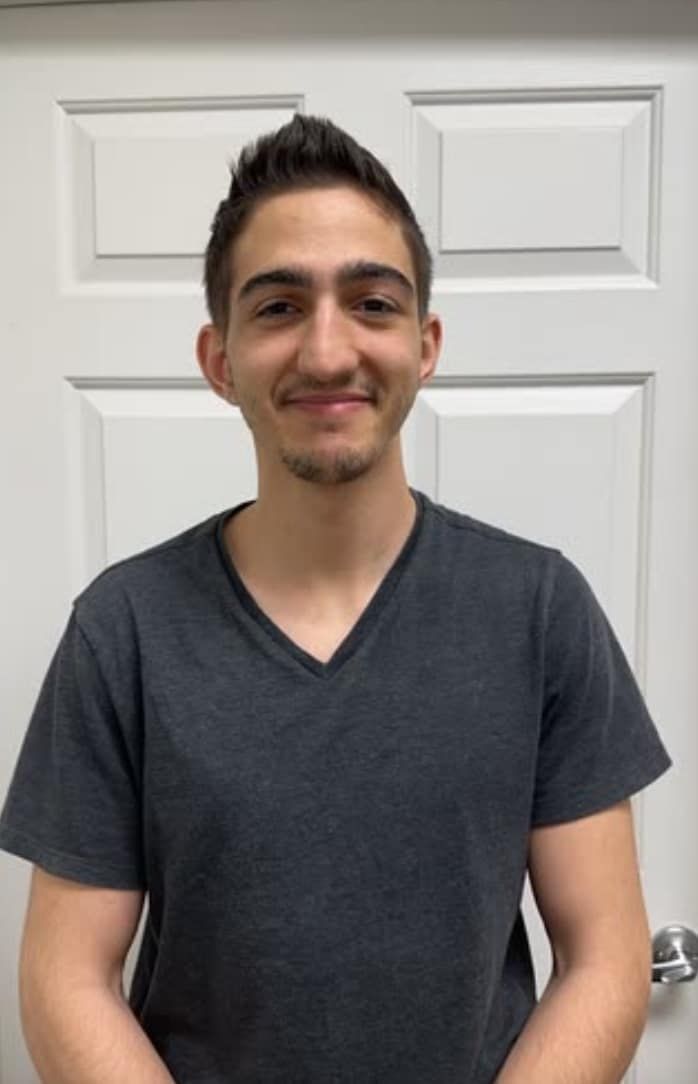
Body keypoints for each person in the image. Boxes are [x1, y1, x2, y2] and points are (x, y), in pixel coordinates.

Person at [0, 113, 672, 1084]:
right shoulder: (124, 629)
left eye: (370, 303)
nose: (326, 352)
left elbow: (605, 955)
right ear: (218, 358)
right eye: (277, 307)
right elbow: (66, 978)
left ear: (424, 344)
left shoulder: (538, 610)